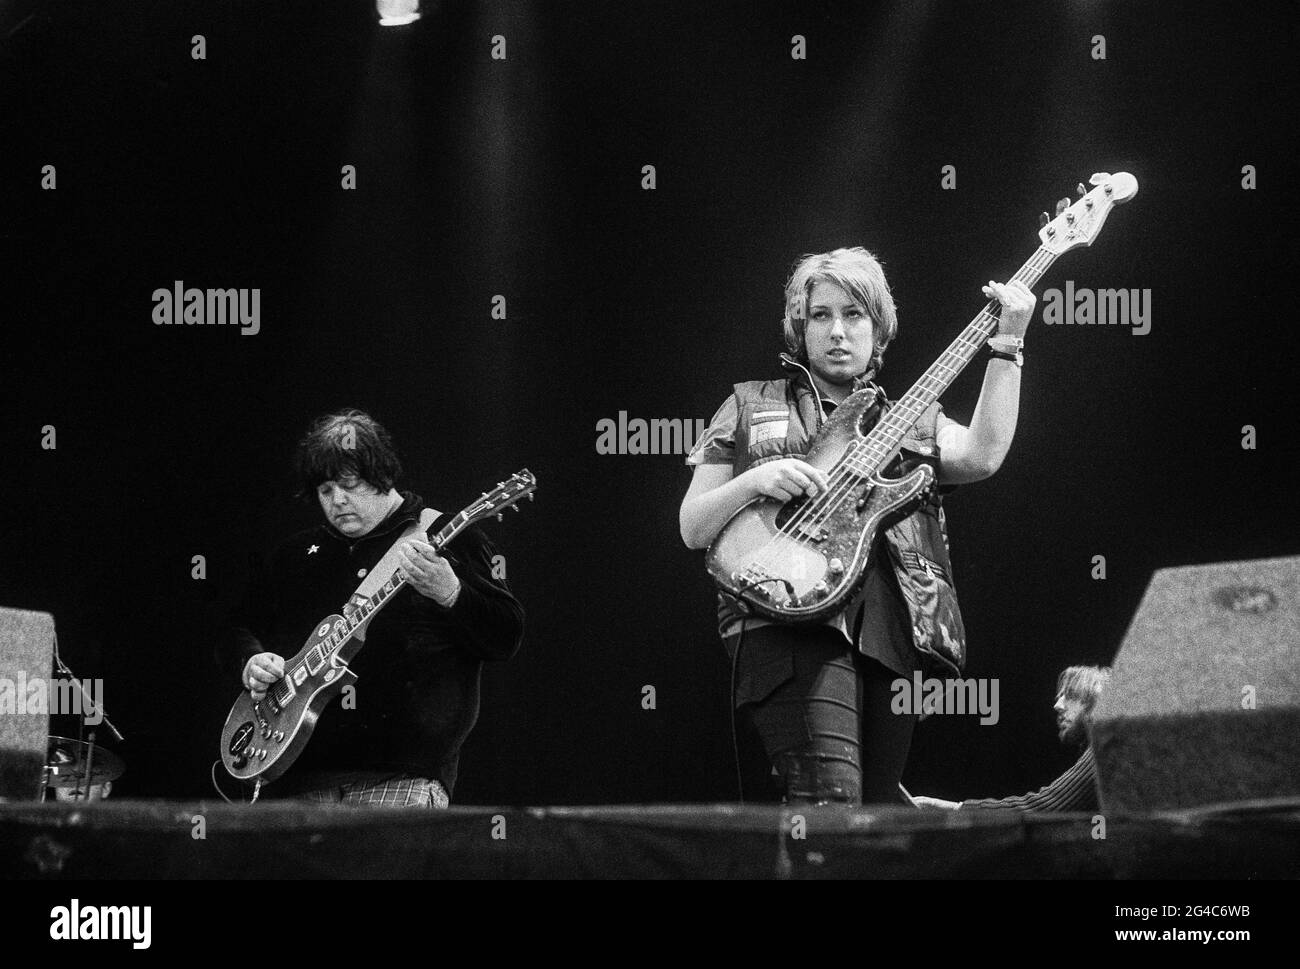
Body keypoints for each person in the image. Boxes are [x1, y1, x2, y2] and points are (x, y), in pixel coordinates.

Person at [679, 247, 1035, 805]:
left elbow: (981, 456)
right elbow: (693, 526)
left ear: (878, 327)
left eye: (854, 314)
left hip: (890, 628)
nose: (837, 331)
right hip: (786, 620)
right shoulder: (749, 403)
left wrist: (1008, 344)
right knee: (830, 800)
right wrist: (757, 480)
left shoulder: (912, 417)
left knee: (877, 814)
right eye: (820, 315)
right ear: (800, 327)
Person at [220, 409, 525, 807]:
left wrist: (451, 591)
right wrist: (250, 660)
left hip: (399, 776)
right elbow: (235, 630)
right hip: (292, 777)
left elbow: (506, 635)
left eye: (350, 485)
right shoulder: (295, 556)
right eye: (325, 490)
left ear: (383, 475)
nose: (338, 500)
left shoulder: (444, 536)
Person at [912, 665, 1110, 812]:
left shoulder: (1107, 748)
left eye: (1070, 696)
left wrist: (957, 809)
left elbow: (1043, 806)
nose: (1057, 706)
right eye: (1059, 697)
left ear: (1096, 701)